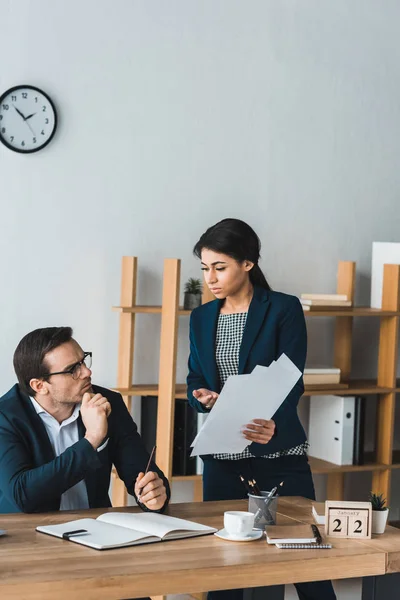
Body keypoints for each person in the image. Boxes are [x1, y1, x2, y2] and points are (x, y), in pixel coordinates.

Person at [187, 218, 336, 600]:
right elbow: (194, 376)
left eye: (220, 267)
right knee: (226, 567)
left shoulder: (282, 308)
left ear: (248, 263)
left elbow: (292, 378)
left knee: (306, 559)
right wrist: (200, 395)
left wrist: (273, 421)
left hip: (278, 452)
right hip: (222, 456)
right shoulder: (201, 317)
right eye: (205, 268)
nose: (211, 278)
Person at [0, 327, 170, 515]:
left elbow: (140, 470)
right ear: (39, 386)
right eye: (73, 369)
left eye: (83, 360)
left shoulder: (107, 402)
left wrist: (154, 494)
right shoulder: (5, 416)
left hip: (93, 531)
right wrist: (92, 440)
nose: (87, 372)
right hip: (27, 535)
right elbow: (23, 495)